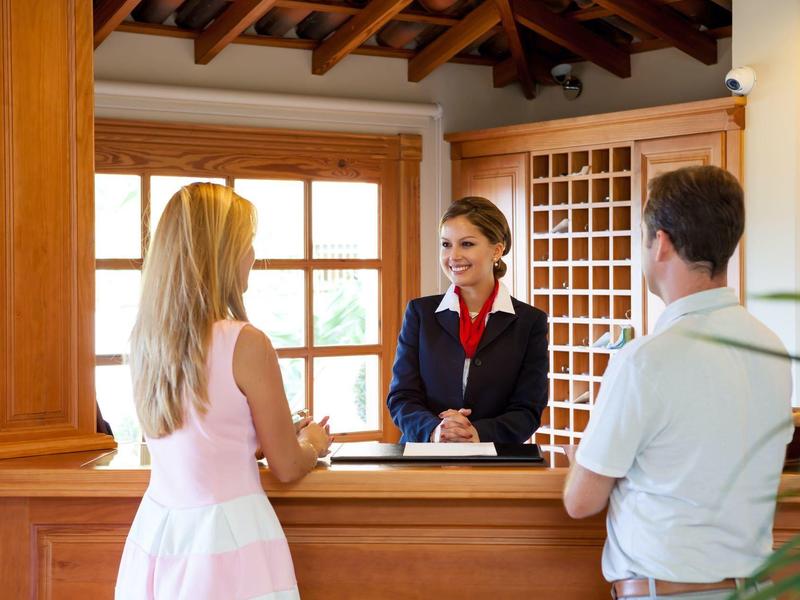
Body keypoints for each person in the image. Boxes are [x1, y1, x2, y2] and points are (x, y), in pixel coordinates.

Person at [563, 166, 792, 599]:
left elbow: (581, 502)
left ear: (661, 243)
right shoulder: (771, 348)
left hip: (670, 592)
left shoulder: (645, 359)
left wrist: (583, 460)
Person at [115, 182, 331, 600]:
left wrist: (254, 439)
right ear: (224, 255)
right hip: (228, 537)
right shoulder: (245, 341)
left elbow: (198, 438)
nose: (253, 255)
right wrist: (312, 443)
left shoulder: (146, 340)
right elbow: (287, 466)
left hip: (158, 535)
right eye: (247, 242)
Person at [387, 196, 549, 443]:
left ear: (497, 250)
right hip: (423, 454)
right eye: (446, 244)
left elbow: (527, 409)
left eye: (467, 244)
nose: (453, 256)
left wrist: (477, 433)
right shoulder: (420, 313)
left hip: (495, 457)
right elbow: (401, 397)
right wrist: (435, 431)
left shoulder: (530, 322)